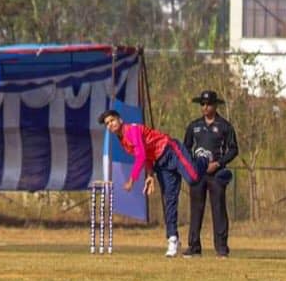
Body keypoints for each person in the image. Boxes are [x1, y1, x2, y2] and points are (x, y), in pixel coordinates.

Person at [97, 109, 205, 257]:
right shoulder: (123, 141)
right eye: (107, 124)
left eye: (112, 120)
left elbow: (140, 156)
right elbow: (146, 155)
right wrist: (150, 175)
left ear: (120, 120)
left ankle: (204, 159)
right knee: (169, 200)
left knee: (193, 179)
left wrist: (131, 180)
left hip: (170, 150)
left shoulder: (132, 130)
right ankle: (173, 239)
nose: (110, 125)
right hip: (160, 162)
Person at [182, 90, 239, 258]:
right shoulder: (194, 126)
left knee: (219, 209)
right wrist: (192, 164)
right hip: (198, 174)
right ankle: (194, 246)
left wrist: (219, 163)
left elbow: (234, 149)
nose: (205, 107)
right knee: (196, 209)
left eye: (208, 104)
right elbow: (185, 148)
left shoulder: (224, 126)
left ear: (215, 105)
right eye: (203, 104)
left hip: (216, 174)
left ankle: (221, 248)